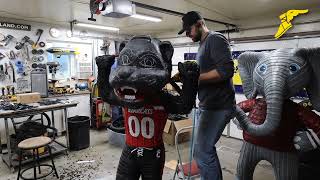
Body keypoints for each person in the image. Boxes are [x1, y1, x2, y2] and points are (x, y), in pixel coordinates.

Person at [178, 11, 236, 180]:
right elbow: (204, 74)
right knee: (204, 150)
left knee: (202, 151)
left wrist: (194, 79)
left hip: (219, 107)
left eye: (189, 30)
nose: (188, 34)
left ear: (200, 23)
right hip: (208, 105)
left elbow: (226, 71)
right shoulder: (202, 45)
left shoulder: (215, 39)